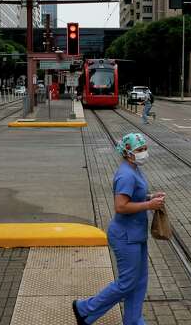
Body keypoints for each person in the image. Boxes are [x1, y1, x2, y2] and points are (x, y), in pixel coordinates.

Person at [73, 133, 165, 325]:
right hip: (125, 236)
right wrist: (149, 206)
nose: (144, 153)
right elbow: (121, 206)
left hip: (136, 234)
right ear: (127, 152)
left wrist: (149, 197)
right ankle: (84, 309)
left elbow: (134, 197)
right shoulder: (126, 175)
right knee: (127, 283)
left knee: (139, 281)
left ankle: (132, 320)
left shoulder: (134, 169)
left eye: (145, 148)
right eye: (140, 150)